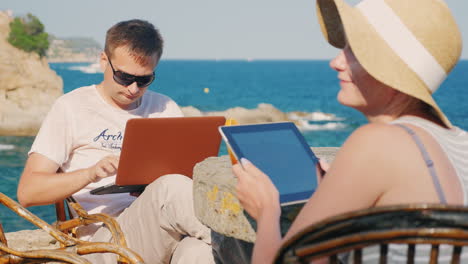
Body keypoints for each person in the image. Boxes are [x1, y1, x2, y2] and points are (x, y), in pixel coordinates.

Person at [233, 0, 468, 263]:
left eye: (354, 50)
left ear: (392, 67)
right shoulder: (460, 143)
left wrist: (266, 211)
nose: (335, 62)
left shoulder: (377, 143)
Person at [17, 19, 214, 264]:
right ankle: (257, 247)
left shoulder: (165, 108)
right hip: (104, 240)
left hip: (166, 229)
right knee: (170, 187)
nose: (133, 88)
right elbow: (28, 192)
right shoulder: (72, 108)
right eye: (124, 77)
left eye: (144, 80)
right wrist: (90, 173)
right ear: (103, 61)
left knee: (200, 252)